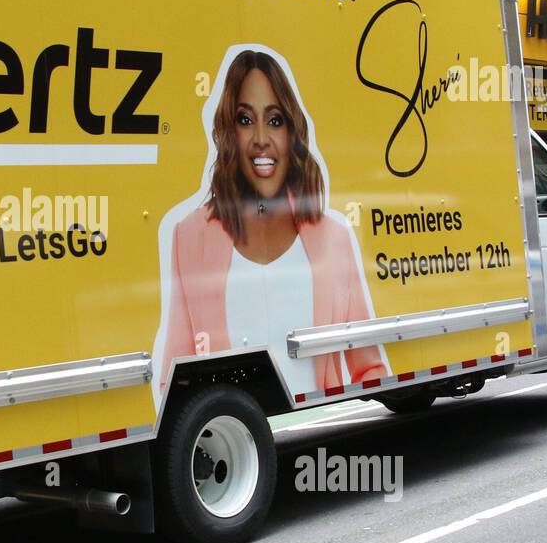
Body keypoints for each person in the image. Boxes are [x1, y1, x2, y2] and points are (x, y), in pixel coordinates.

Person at [159, 48, 387, 397]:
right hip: (233, 421)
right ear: (228, 131)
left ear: (291, 132)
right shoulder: (189, 237)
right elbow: (173, 372)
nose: (261, 138)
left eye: (275, 120)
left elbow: (369, 365)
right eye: (245, 120)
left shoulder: (335, 238)